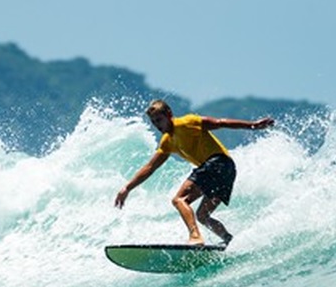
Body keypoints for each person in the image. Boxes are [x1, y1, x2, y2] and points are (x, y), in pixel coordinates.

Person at [115, 99, 274, 246]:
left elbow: (220, 123)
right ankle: (228, 240)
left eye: (159, 119)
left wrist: (252, 125)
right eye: (154, 121)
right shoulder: (167, 141)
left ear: (169, 114)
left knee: (179, 199)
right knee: (203, 216)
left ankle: (195, 237)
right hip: (228, 170)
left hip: (217, 162)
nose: (157, 125)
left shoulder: (187, 122)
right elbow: (150, 167)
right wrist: (127, 188)